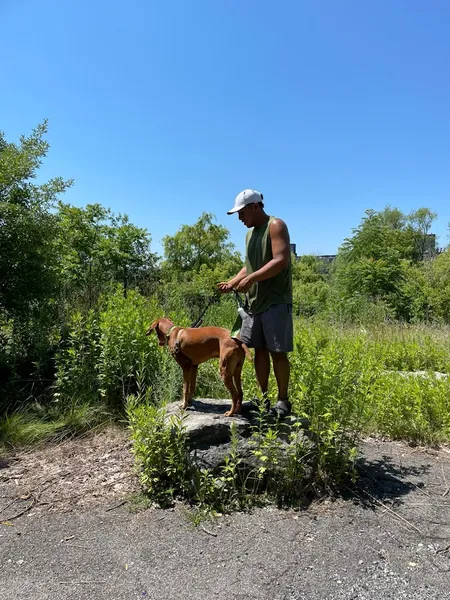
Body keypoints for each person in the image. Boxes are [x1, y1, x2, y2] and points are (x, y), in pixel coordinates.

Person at [217, 189, 293, 417]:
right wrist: (232, 283)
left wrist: (250, 279)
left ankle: (283, 401)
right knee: (259, 352)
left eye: (242, 212)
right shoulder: (250, 235)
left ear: (255, 206)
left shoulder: (275, 225)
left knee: (277, 352)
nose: (240, 218)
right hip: (255, 304)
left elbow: (280, 260)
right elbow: (249, 266)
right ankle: (264, 400)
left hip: (276, 301)